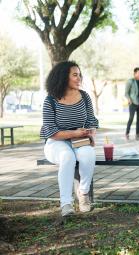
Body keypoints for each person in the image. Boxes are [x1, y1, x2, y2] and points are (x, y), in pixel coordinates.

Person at [40, 61, 99, 217]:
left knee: (88, 154)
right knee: (67, 157)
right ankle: (66, 203)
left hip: (79, 140)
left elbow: (91, 121)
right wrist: (75, 134)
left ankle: (83, 194)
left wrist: (91, 134)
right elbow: (51, 131)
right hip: (56, 142)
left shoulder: (84, 97)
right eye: (74, 75)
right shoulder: (50, 100)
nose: (79, 78)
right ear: (62, 77)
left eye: (79, 74)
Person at [125, 67, 139, 140]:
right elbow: (126, 93)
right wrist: (129, 100)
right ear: (135, 73)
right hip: (133, 103)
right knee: (131, 118)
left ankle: (137, 135)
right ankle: (127, 134)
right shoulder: (130, 81)